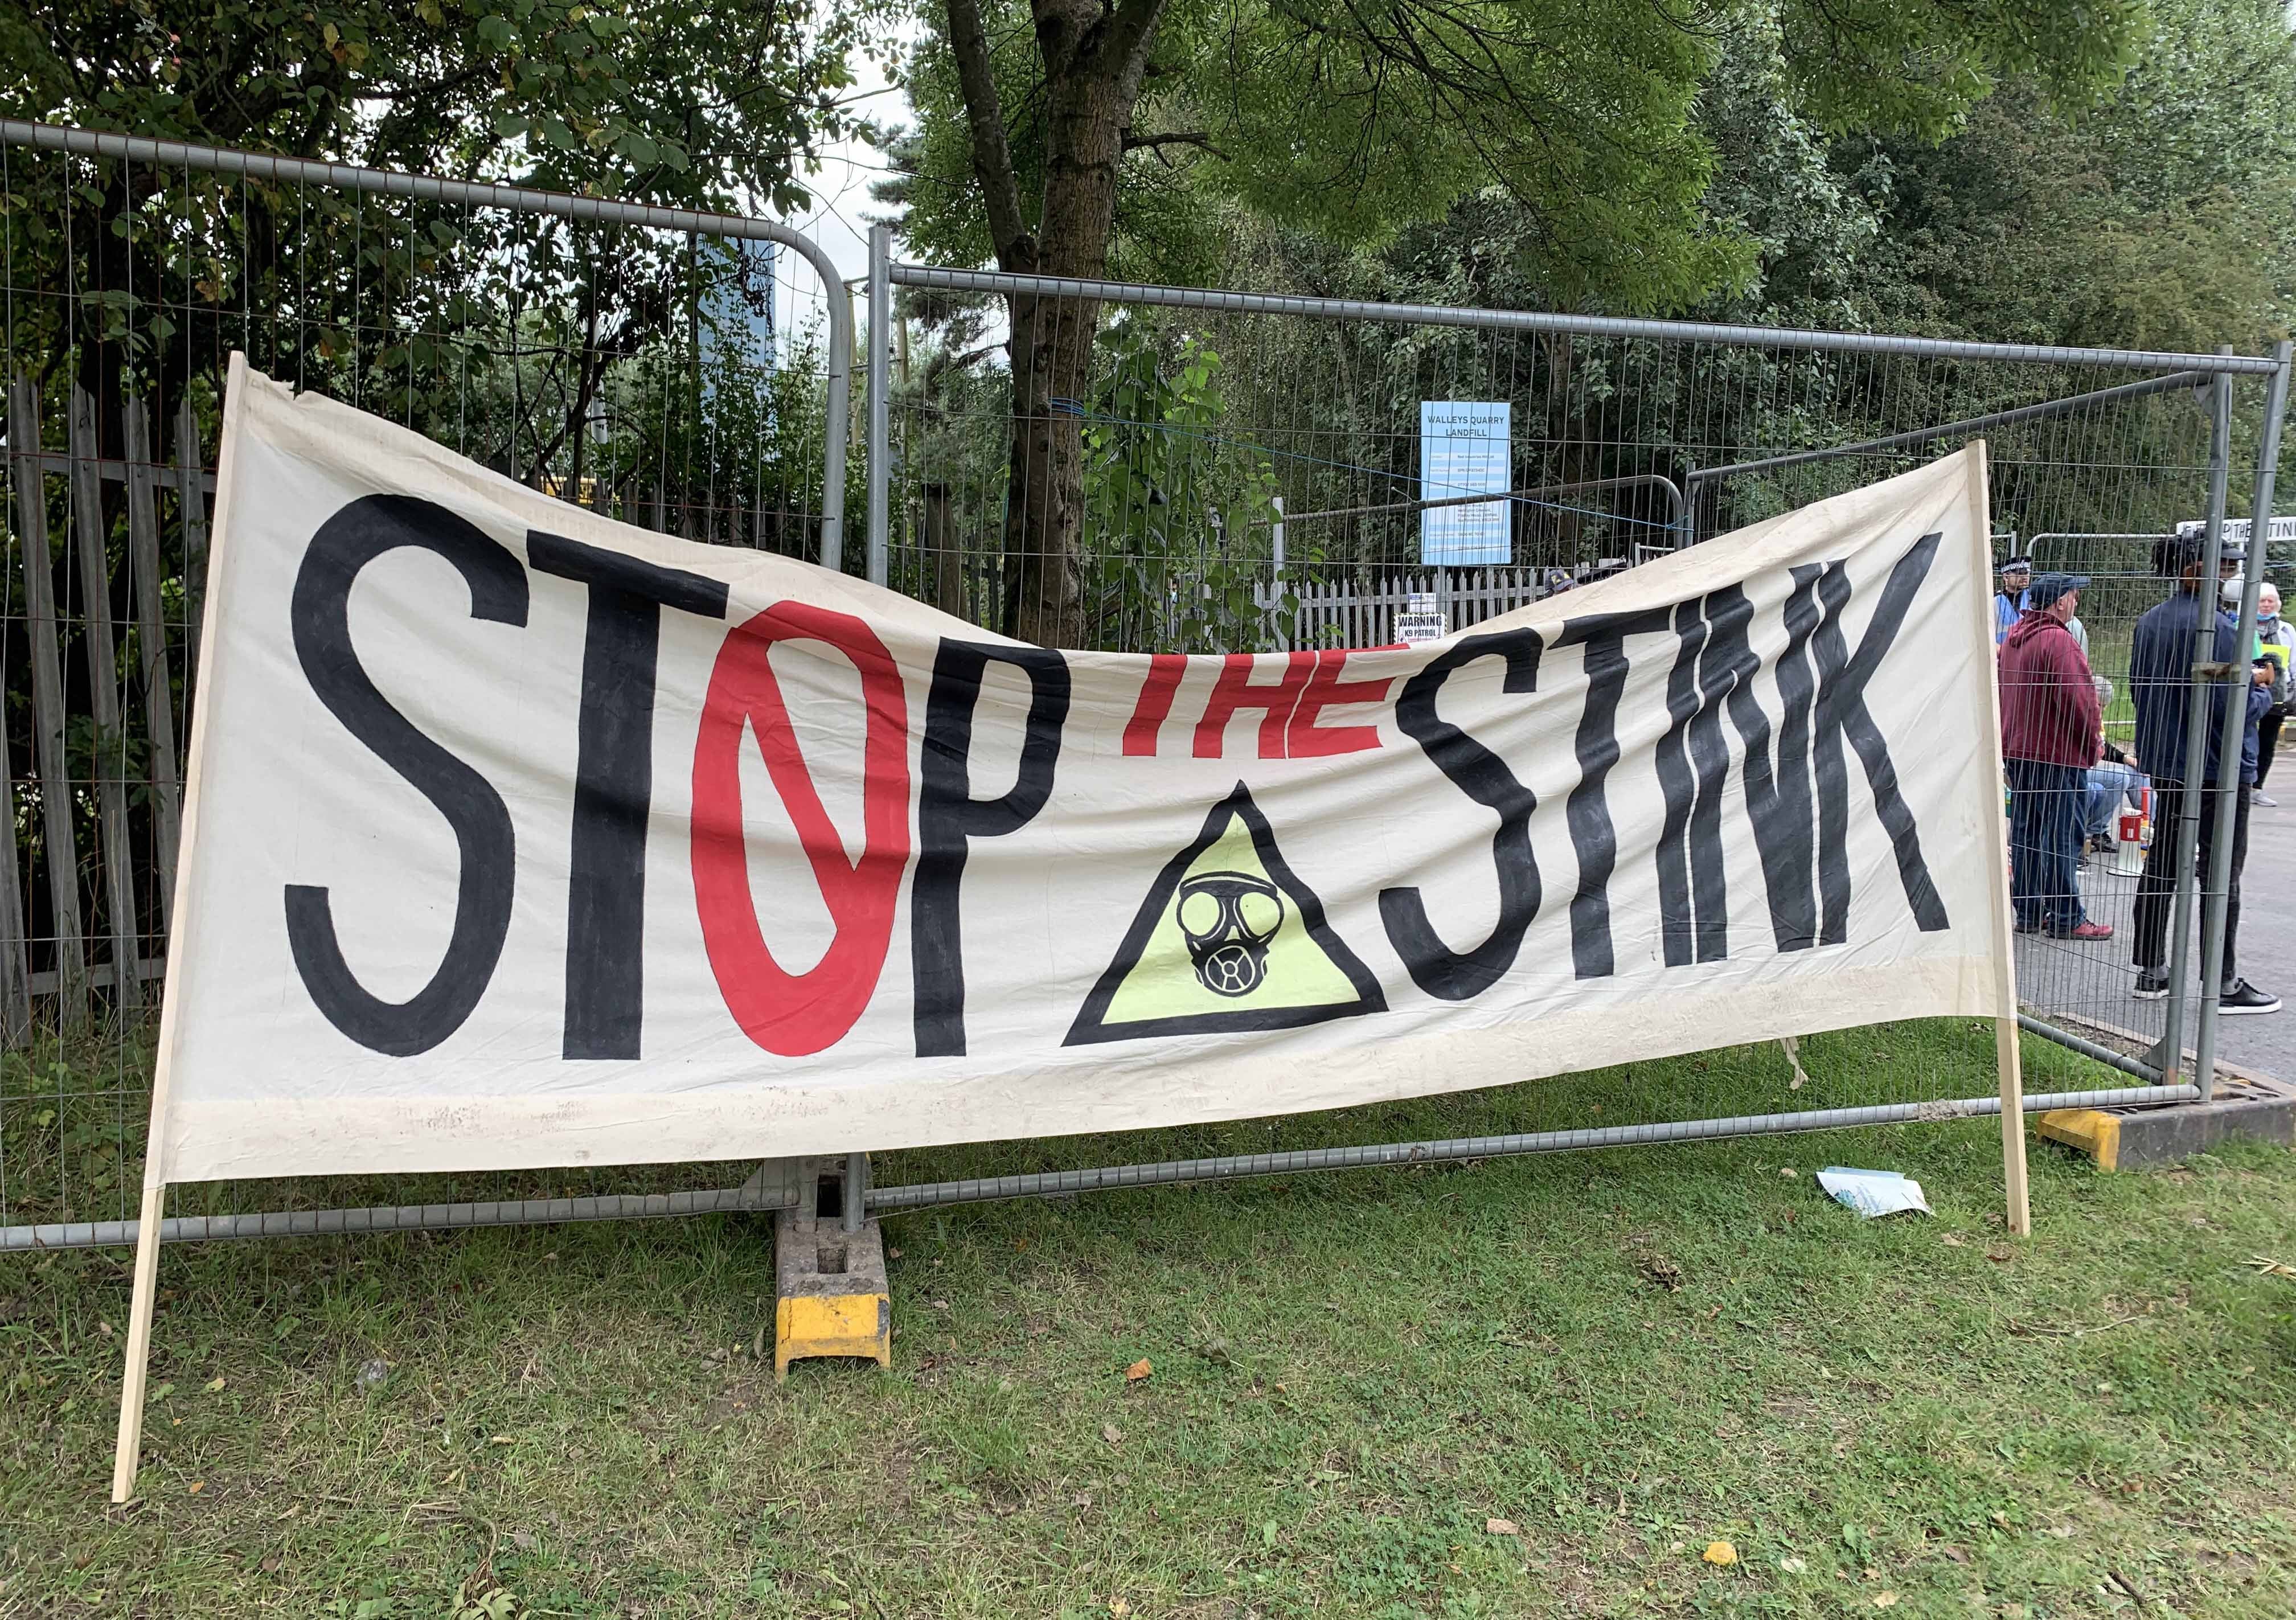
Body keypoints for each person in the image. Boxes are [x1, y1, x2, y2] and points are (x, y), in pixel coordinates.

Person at [2127, 532, 2279, 1012]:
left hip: (2170, 764)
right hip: (2217, 768)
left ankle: (2151, 968)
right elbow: (2227, 704)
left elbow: (2140, 689)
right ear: (2199, 568)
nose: (2230, 575)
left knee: (2162, 865)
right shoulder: (2217, 627)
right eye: (2225, 566)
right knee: (2220, 875)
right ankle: (2223, 980)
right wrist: (2266, 691)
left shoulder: (2149, 622)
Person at [1999, 572, 2110, 938]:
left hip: (2020, 749)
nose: (2076, 602)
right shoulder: (2059, 642)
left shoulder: (2016, 639)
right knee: (2061, 833)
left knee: (2028, 832)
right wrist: (2092, 742)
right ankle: (2067, 915)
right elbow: (2080, 701)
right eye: (2074, 596)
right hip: (2055, 752)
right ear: (2061, 601)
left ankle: (2029, 910)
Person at [2082, 675, 2148, 853]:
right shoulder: (2081, 714)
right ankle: (2096, 832)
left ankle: (2151, 827)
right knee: (2120, 778)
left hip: (2089, 768)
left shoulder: (2095, 717)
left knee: (2136, 773)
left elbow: (2102, 747)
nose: (2101, 711)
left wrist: (2127, 758)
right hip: (2075, 771)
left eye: (2104, 707)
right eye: (2100, 706)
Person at [2250, 580, 2290, 806]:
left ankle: (2257, 788)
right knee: (2244, 739)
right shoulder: (2244, 627)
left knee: (2268, 742)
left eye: (2270, 601)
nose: (2266, 605)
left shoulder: (2287, 631)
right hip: (2248, 693)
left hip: (2276, 696)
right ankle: (2239, 785)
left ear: (2278, 604)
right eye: (2262, 601)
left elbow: (2292, 664)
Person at [1994, 556, 2032, 645]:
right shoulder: (1994, 601)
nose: (2025, 577)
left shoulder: (2033, 596)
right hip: (2003, 654)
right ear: (2006, 577)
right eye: (2020, 573)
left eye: (2027, 573)